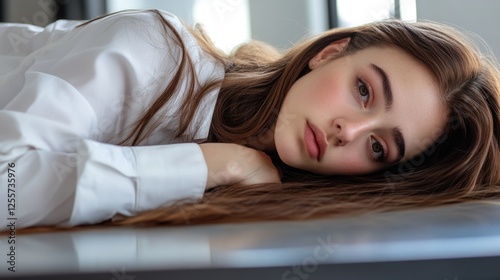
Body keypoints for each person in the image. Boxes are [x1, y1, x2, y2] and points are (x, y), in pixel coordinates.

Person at [0, 9, 499, 231]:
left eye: (378, 148)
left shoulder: (272, 199)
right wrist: (213, 164)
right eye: (364, 90)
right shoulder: (151, 50)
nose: (349, 130)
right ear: (329, 54)